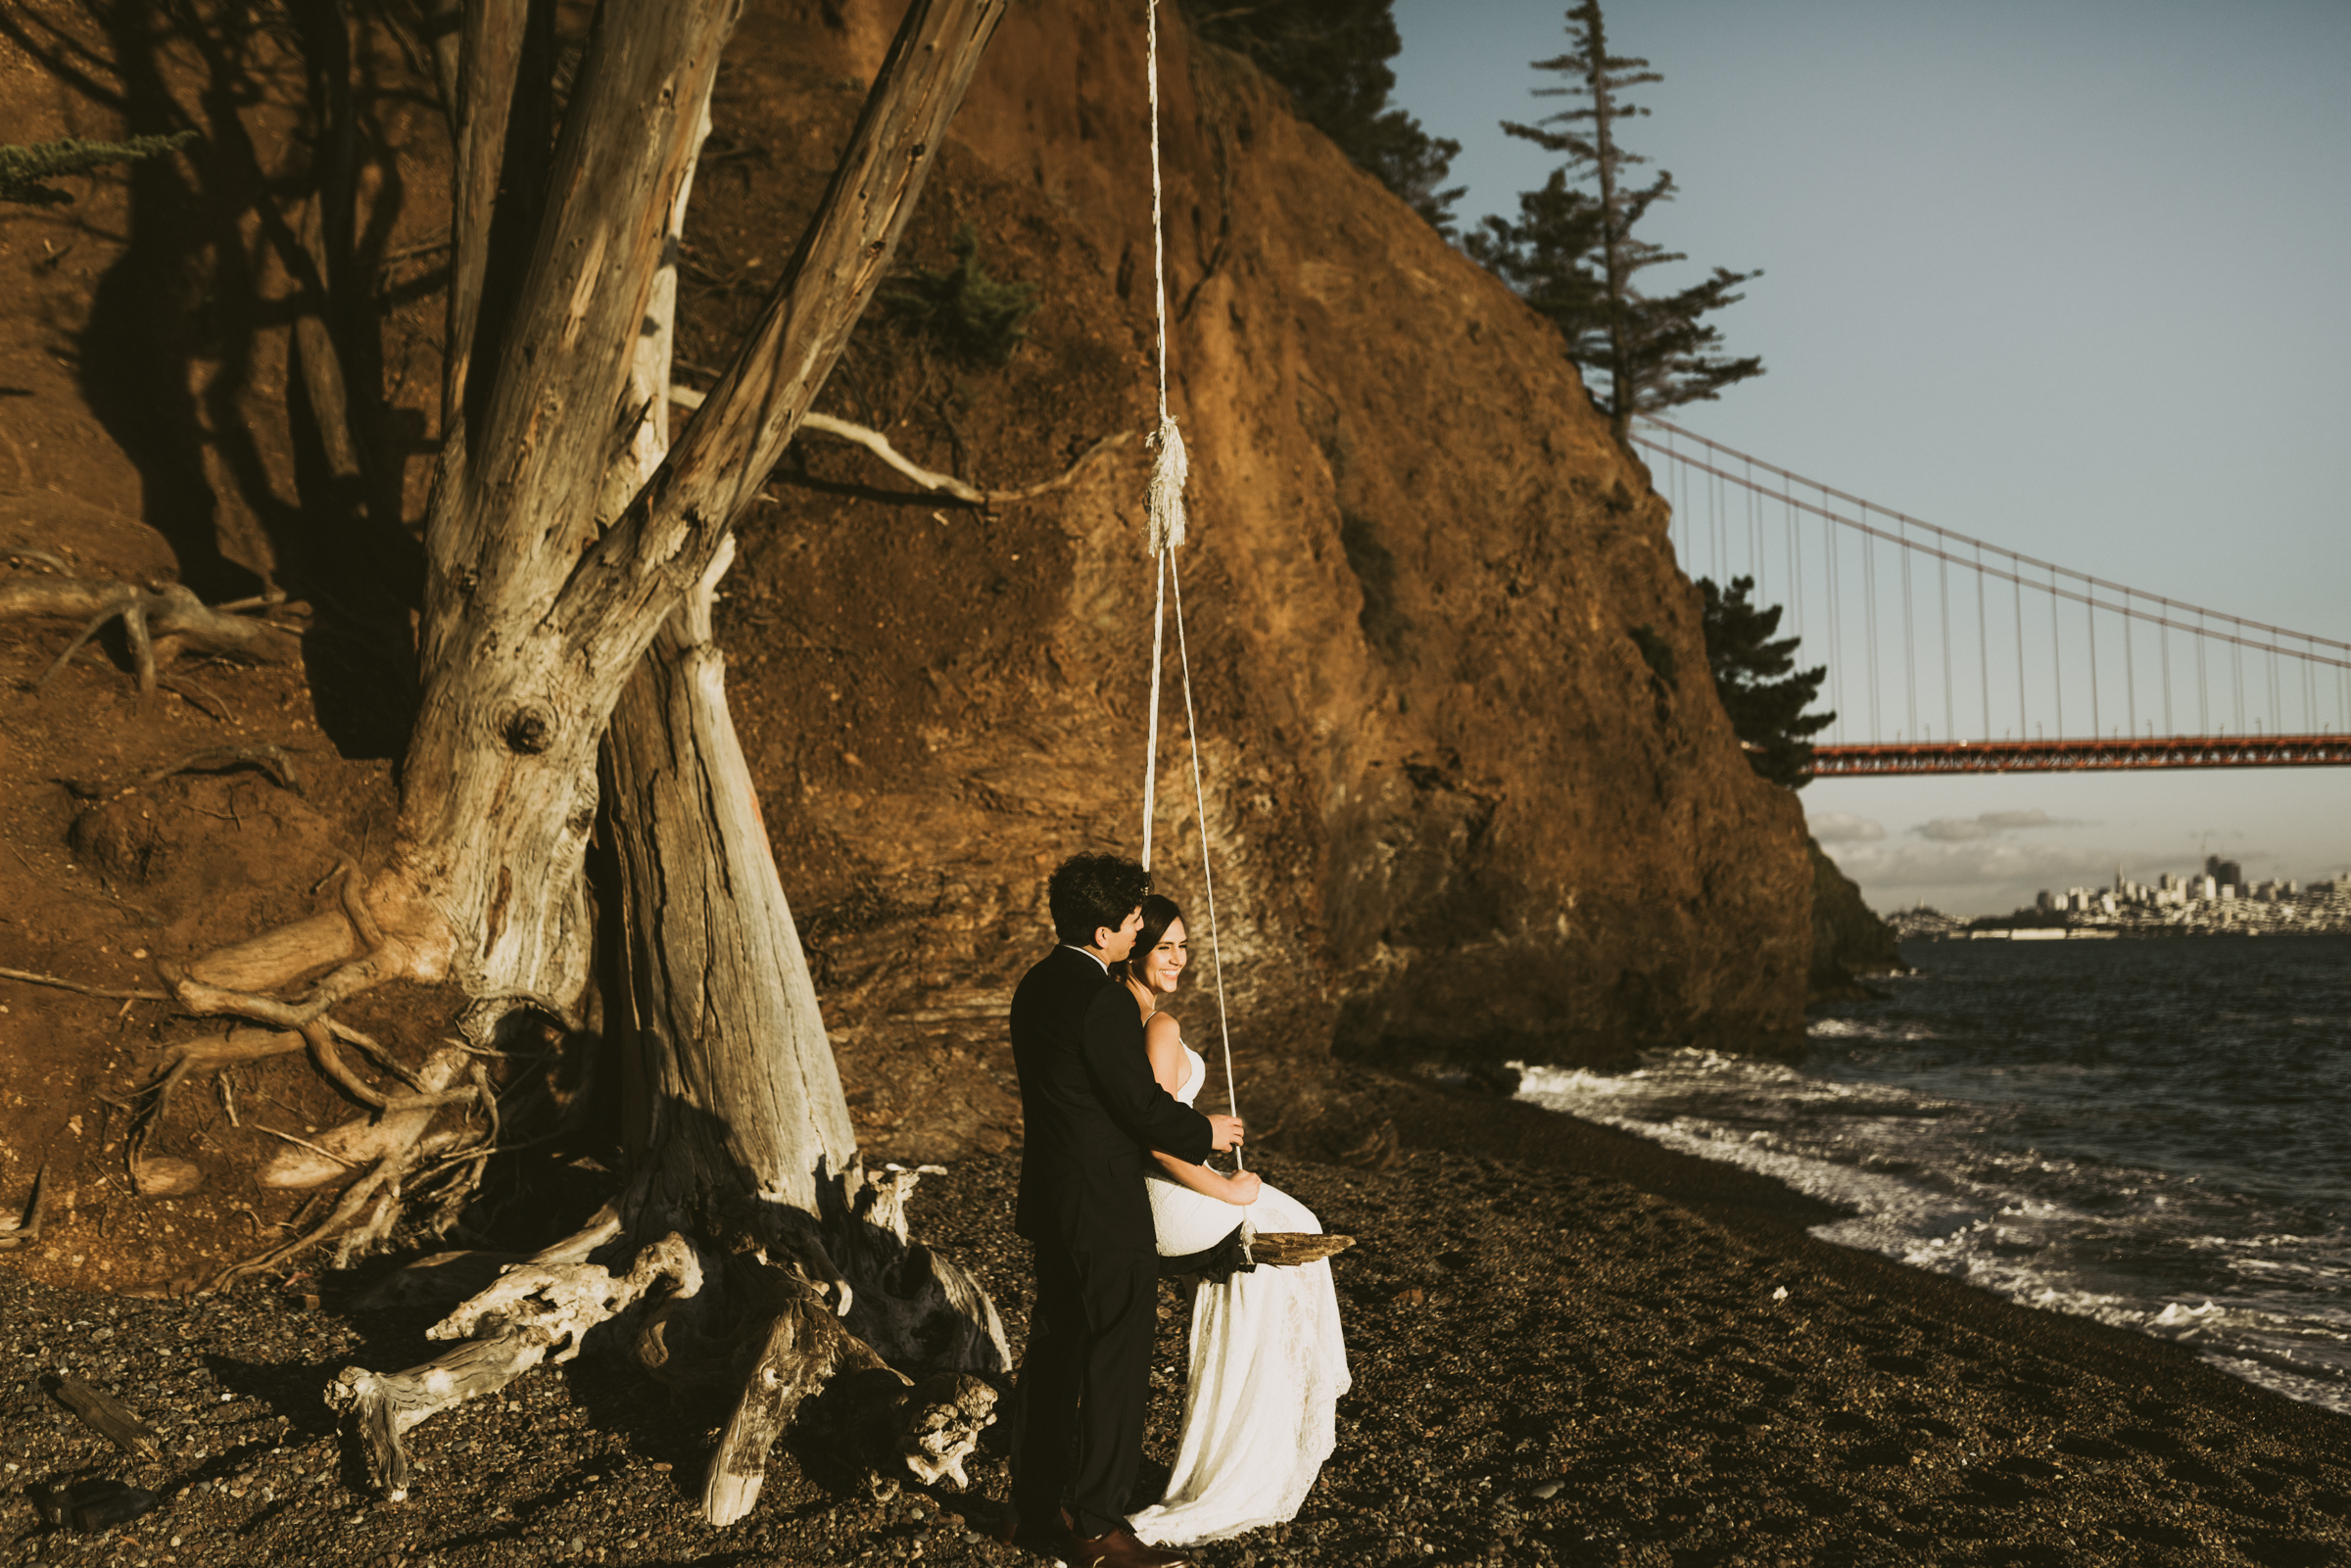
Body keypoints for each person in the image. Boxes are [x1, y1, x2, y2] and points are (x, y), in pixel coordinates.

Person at [1007, 854, 1245, 1568]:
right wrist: (1210, 1132)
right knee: (1115, 1356)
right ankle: (1097, 1528)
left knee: (1055, 1350)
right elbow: (1140, 1107)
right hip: (1104, 1203)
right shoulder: (1099, 999)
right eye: (1136, 920)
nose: (1141, 928)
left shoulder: (1035, 986)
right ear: (1104, 928)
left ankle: (1032, 1505)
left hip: (1051, 1196)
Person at [1114, 895, 1353, 1548]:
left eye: (1184, 947)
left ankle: (1246, 1440)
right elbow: (1154, 1142)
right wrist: (1225, 1181)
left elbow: (1164, 1125)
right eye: (1165, 947)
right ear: (1132, 951)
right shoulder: (1158, 1027)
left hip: (1162, 1193)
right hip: (1167, 1197)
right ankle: (1251, 1450)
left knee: (1284, 1233)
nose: (1179, 959)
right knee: (1292, 1233)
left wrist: (1206, 1135)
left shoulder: (1128, 1019)